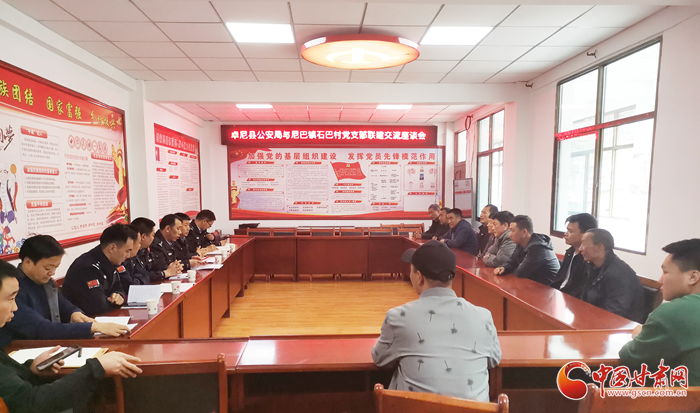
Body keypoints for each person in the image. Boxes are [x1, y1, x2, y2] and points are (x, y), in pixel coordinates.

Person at [0, 260, 143, 413]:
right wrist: (97, 367)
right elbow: (30, 403)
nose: (15, 307)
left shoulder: (48, 285)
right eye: (10, 299)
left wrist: (30, 368)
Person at [372, 241, 501, 401]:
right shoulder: (483, 316)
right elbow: (494, 359)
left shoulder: (399, 317)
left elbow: (379, 358)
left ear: (419, 277)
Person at [0, 235, 129, 347]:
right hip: (22, 348)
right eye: (48, 268)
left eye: (56, 267)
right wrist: (93, 327)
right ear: (28, 262)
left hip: (50, 344)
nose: (52, 272)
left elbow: (64, 304)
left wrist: (74, 313)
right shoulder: (12, 290)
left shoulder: (46, 282)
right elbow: (40, 328)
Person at [619, 239, 700, 386]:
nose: (659, 280)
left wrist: (638, 335)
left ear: (692, 277)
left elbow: (631, 357)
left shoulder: (675, 313)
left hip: (679, 399)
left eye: (665, 272)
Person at [61, 224, 136, 317]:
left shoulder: (112, 261)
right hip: (83, 321)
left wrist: (118, 295)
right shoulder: (86, 267)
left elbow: (119, 287)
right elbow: (99, 307)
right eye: (127, 251)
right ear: (112, 248)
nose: (128, 255)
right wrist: (115, 302)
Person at [579, 229, 645, 323]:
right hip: (596, 317)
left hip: (621, 325)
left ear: (599, 247)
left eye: (584, 244)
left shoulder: (619, 273)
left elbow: (615, 311)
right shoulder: (592, 266)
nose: (580, 248)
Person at [494, 215, 560, 286]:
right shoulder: (521, 243)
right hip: (533, 285)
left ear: (524, 232)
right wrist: (504, 268)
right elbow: (512, 262)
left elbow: (520, 273)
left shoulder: (538, 248)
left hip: (549, 288)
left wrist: (513, 268)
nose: (510, 234)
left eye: (512, 231)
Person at [551, 213, 598, 298]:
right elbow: (558, 279)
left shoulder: (589, 259)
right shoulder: (570, 252)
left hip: (571, 298)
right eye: (567, 230)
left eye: (570, 231)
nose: (565, 234)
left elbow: (580, 290)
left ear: (585, 234)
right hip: (559, 294)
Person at [132, 217, 181, 282]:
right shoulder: (131, 255)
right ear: (143, 237)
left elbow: (156, 267)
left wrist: (173, 267)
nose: (153, 238)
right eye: (152, 235)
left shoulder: (145, 251)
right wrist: (165, 273)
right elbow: (141, 276)